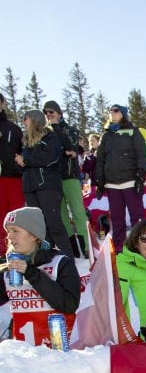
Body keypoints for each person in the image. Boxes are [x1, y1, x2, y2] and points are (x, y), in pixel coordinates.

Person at [0, 206, 80, 344]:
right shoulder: (9, 268)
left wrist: (32, 273)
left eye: (15, 230)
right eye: (8, 231)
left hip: (59, 352)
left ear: (34, 235)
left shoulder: (60, 262)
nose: (9, 236)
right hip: (22, 354)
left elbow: (69, 304)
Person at [15, 109, 73, 257]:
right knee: (40, 227)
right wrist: (19, 163)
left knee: (54, 224)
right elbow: (26, 165)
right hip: (30, 187)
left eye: (25, 118)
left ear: (34, 120)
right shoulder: (26, 140)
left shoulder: (50, 136)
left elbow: (50, 158)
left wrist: (26, 160)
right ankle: (48, 259)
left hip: (48, 187)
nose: (23, 122)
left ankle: (68, 259)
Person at [95, 104, 146, 253]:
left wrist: (140, 175)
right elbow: (100, 159)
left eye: (116, 111)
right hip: (112, 184)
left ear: (123, 114)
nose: (112, 113)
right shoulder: (106, 135)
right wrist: (100, 181)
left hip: (130, 181)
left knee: (137, 218)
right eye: (110, 111)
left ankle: (141, 246)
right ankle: (119, 249)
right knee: (117, 219)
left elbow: (141, 154)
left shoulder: (133, 132)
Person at [43, 100, 88, 257]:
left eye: (51, 112)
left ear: (58, 112)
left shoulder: (70, 130)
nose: (49, 115)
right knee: (61, 215)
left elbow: (70, 146)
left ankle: (87, 248)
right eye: (46, 113)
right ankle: (72, 249)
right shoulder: (45, 133)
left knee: (78, 212)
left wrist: (56, 127)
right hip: (53, 179)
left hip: (70, 176)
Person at [0, 93, 25, 257]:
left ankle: (19, 250)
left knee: (16, 216)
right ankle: (2, 252)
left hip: (14, 179)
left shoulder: (13, 128)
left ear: (2, 104)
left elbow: (23, 153)